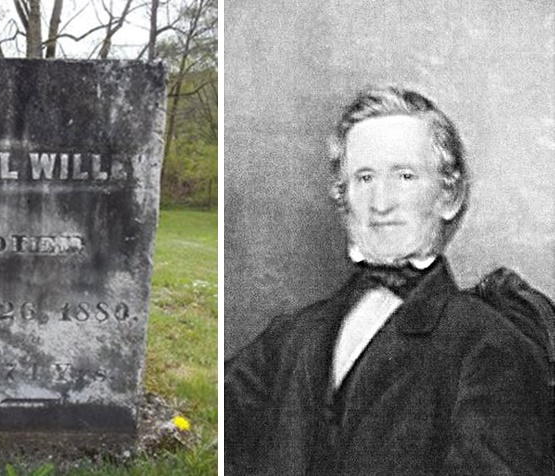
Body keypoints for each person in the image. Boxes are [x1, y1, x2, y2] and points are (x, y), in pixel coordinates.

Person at [225, 86, 552, 475]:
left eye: (405, 176)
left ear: (450, 195)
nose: (381, 203)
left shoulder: (488, 345)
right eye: (364, 178)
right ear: (342, 196)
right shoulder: (293, 335)